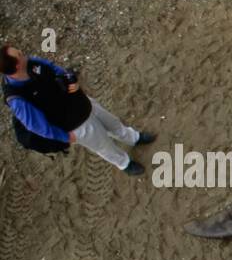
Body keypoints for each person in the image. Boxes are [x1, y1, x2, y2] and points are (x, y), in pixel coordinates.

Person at [2, 44, 154, 173]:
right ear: (17, 66)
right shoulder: (17, 99)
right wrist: (66, 137)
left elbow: (53, 68)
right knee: (103, 145)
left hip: (82, 102)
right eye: (20, 54)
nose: (24, 54)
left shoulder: (31, 64)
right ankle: (124, 163)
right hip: (76, 125)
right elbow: (36, 126)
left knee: (112, 122)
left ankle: (133, 138)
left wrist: (69, 78)